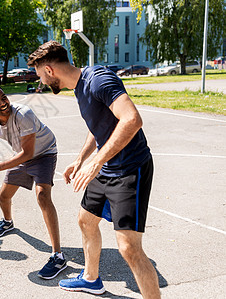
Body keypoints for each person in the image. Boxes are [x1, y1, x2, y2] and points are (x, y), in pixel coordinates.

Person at [28, 41, 160, 298]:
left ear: (49, 70)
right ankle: (90, 278)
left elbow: (132, 119)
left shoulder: (98, 79)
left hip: (130, 168)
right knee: (86, 220)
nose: (41, 82)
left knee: (129, 248)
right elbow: (97, 123)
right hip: (106, 166)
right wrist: (81, 160)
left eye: (40, 76)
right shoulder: (79, 88)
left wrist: (96, 162)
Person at [0, 83, 66, 279]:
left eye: (3, 97)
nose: (3, 103)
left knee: (43, 196)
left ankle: (58, 255)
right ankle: (8, 222)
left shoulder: (24, 114)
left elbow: (28, 152)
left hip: (43, 153)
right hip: (21, 156)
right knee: (3, 196)